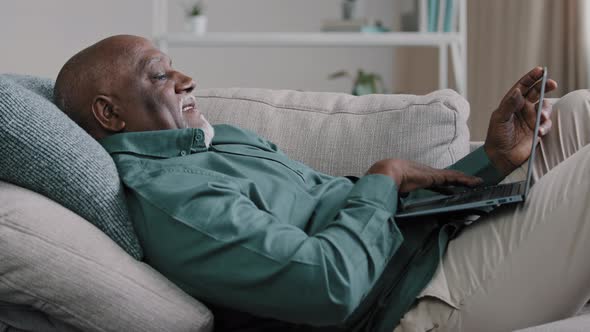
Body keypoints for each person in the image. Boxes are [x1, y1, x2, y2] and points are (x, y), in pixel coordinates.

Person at [53, 35, 590, 332]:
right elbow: (331, 286)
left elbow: (362, 213)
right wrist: (385, 176)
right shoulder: (176, 201)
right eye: (158, 76)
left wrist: (492, 162)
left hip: (430, 244)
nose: (186, 79)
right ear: (109, 113)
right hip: (418, 298)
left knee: (576, 112)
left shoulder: (222, 140)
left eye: (174, 67)